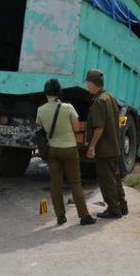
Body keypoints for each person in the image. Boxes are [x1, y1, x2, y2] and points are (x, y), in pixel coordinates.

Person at [36, 79, 96, 226]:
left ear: (46, 93)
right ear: (59, 92)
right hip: (69, 149)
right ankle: (84, 216)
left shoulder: (41, 110)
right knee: (75, 182)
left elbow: (41, 128)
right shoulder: (68, 107)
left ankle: (60, 216)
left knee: (56, 183)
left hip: (52, 150)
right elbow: (76, 128)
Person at [85, 69, 128, 219]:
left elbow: (99, 127)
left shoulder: (99, 101)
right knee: (115, 178)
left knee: (106, 181)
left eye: (87, 83)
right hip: (114, 146)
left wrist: (91, 146)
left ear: (92, 83)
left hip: (104, 148)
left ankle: (114, 210)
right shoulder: (110, 96)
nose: (87, 86)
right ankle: (122, 206)